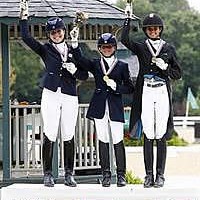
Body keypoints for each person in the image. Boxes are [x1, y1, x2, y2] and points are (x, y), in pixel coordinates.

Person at [19, 1, 88, 187]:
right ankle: (48, 174)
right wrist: (24, 17)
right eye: (53, 33)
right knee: (49, 132)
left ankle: (69, 174)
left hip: (69, 95)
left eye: (59, 31)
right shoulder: (45, 49)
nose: (57, 34)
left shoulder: (74, 49)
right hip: (51, 93)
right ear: (49, 35)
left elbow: (84, 74)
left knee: (68, 133)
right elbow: (26, 37)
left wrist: (75, 70)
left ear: (64, 32)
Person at [121, 11, 182, 188]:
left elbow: (178, 73)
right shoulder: (141, 47)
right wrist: (127, 19)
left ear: (160, 30)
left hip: (162, 90)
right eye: (149, 29)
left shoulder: (168, 48)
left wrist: (165, 69)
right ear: (146, 31)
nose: (153, 31)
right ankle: (149, 175)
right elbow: (125, 41)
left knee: (160, 132)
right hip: (146, 91)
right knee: (148, 132)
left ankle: (160, 175)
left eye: (155, 28)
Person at [71, 29, 134, 187]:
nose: (107, 49)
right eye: (104, 47)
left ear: (114, 48)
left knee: (118, 140)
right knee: (103, 140)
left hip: (115, 107)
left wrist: (116, 87)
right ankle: (105, 174)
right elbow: (80, 59)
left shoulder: (122, 66)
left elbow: (130, 88)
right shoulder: (95, 64)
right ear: (99, 48)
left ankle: (121, 175)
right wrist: (74, 43)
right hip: (99, 106)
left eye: (110, 47)